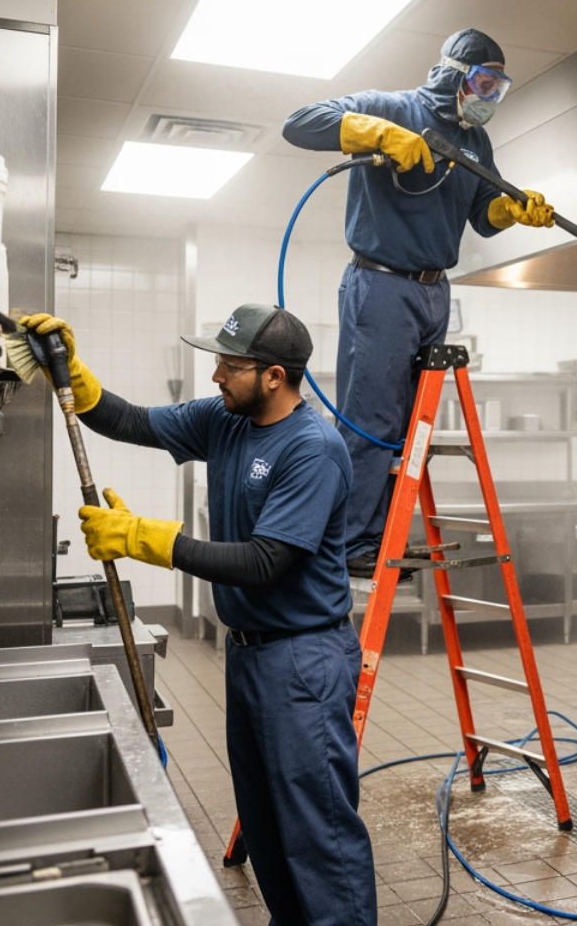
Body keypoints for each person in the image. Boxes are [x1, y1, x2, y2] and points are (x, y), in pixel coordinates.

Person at [21, 305, 375, 926]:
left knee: (317, 828)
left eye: (229, 365)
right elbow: (130, 421)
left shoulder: (312, 450)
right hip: (249, 653)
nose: (215, 375)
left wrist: (142, 539)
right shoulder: (225, 419)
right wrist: (72, 372)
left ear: (273, 376)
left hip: (304, 660)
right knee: (266, 821)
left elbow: (267, 562)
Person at [281, 28, 554, 577]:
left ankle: (383, 536)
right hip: (381, 283)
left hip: (435, 290)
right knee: (370, 418)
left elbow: (483, 213)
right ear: (454, 73)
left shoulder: (476, 144)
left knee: (408, 427)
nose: (489, 97)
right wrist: (379, 134)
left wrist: (513, 210)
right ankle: (349, 542)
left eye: (499, 88)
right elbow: (299, 124)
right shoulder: (393, 107)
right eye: (483, 82)